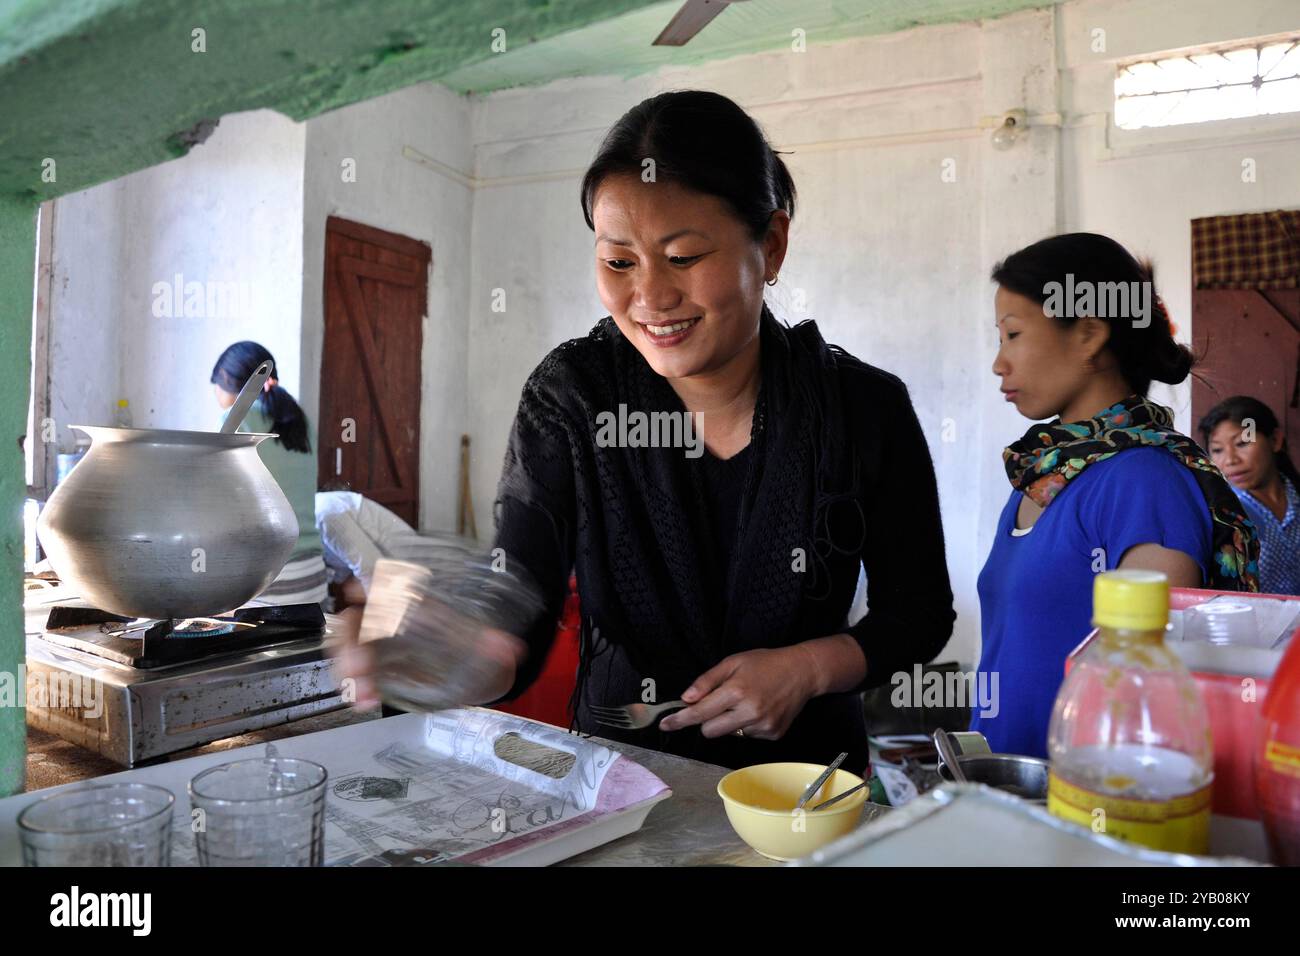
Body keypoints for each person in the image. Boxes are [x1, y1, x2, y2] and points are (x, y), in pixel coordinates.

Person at [336, 90, 955, 772]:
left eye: (684, 257)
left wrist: (808, 667)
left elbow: (919, 613)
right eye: (619, 262)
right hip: (624, 786)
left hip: (806, 790)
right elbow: (520, 607)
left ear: (770, 246)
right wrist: (444, 650)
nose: (651, 299)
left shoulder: (862, 407)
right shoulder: (571, 396)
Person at [974, 233, 1259, 758]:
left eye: (1013, 334)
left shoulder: (1147, 483)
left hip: (1085, 808)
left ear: (1088, 334)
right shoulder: (1042, 479)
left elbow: (1144, 692)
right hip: (1006, 795)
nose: (999, 362)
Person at [211, 341, 328, 606]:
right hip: (313, 581)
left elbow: (216, 503)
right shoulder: (299, 419)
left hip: (266, 587)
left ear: (227, 381)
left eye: (215, 385)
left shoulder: (234, 420)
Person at [1201, 396, 1300, 596]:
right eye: (1218, 450)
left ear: (1275, 440)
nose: (1230, 460)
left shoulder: (1296, 499)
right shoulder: (1221, 516)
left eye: (1242, 443)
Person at [315, 489, 423, 608]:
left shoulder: (325, 515)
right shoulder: (317, 515)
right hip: (397, 578)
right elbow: (343, 570)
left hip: (412, 575)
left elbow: (371, 570)